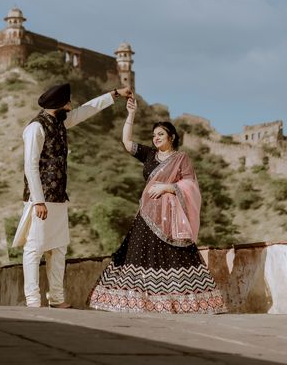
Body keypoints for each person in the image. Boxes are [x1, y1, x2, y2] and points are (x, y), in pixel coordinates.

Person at [88, 97, 228, 313]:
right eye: (154, 135)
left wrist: (168, 188)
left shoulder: (181, 159)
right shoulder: (149, 155)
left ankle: (185, 302)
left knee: (175, 256)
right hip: (147, 214)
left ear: (171, 137)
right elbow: (126, 143)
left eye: (160, 134)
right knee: (137, 254)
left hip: (172, 218)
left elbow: (190, 184)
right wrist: (131, 115)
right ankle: (137, 301)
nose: (156, 138)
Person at [12, 81, 132, 308]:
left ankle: (56, 299)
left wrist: (115, 94)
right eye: (67, 101)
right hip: (41, 200)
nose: (71, 105)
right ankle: (33, 300)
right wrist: (38, 200)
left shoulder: (60, 123)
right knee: (34, 248)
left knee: (58, 249)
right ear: (59, 103)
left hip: (58, 198)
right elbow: (30, 165)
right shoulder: (35, 128)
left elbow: (88, 109)